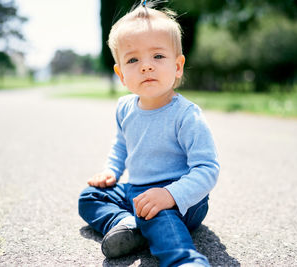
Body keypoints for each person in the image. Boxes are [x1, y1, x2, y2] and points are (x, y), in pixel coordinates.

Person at [78, 2, 220, 266]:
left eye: (158, 56)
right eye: (133, 59)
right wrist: (111, 170)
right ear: (120, 73)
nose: (146, 66)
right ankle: (128, 224)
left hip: (181, 198)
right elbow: (122, 145)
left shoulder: (186, 115)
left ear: (178, 66)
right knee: (90, 197)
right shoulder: (124, 108)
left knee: (157, 213)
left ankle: (184, 260)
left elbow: (207, 168)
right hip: (137, 191)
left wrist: (170, 195)